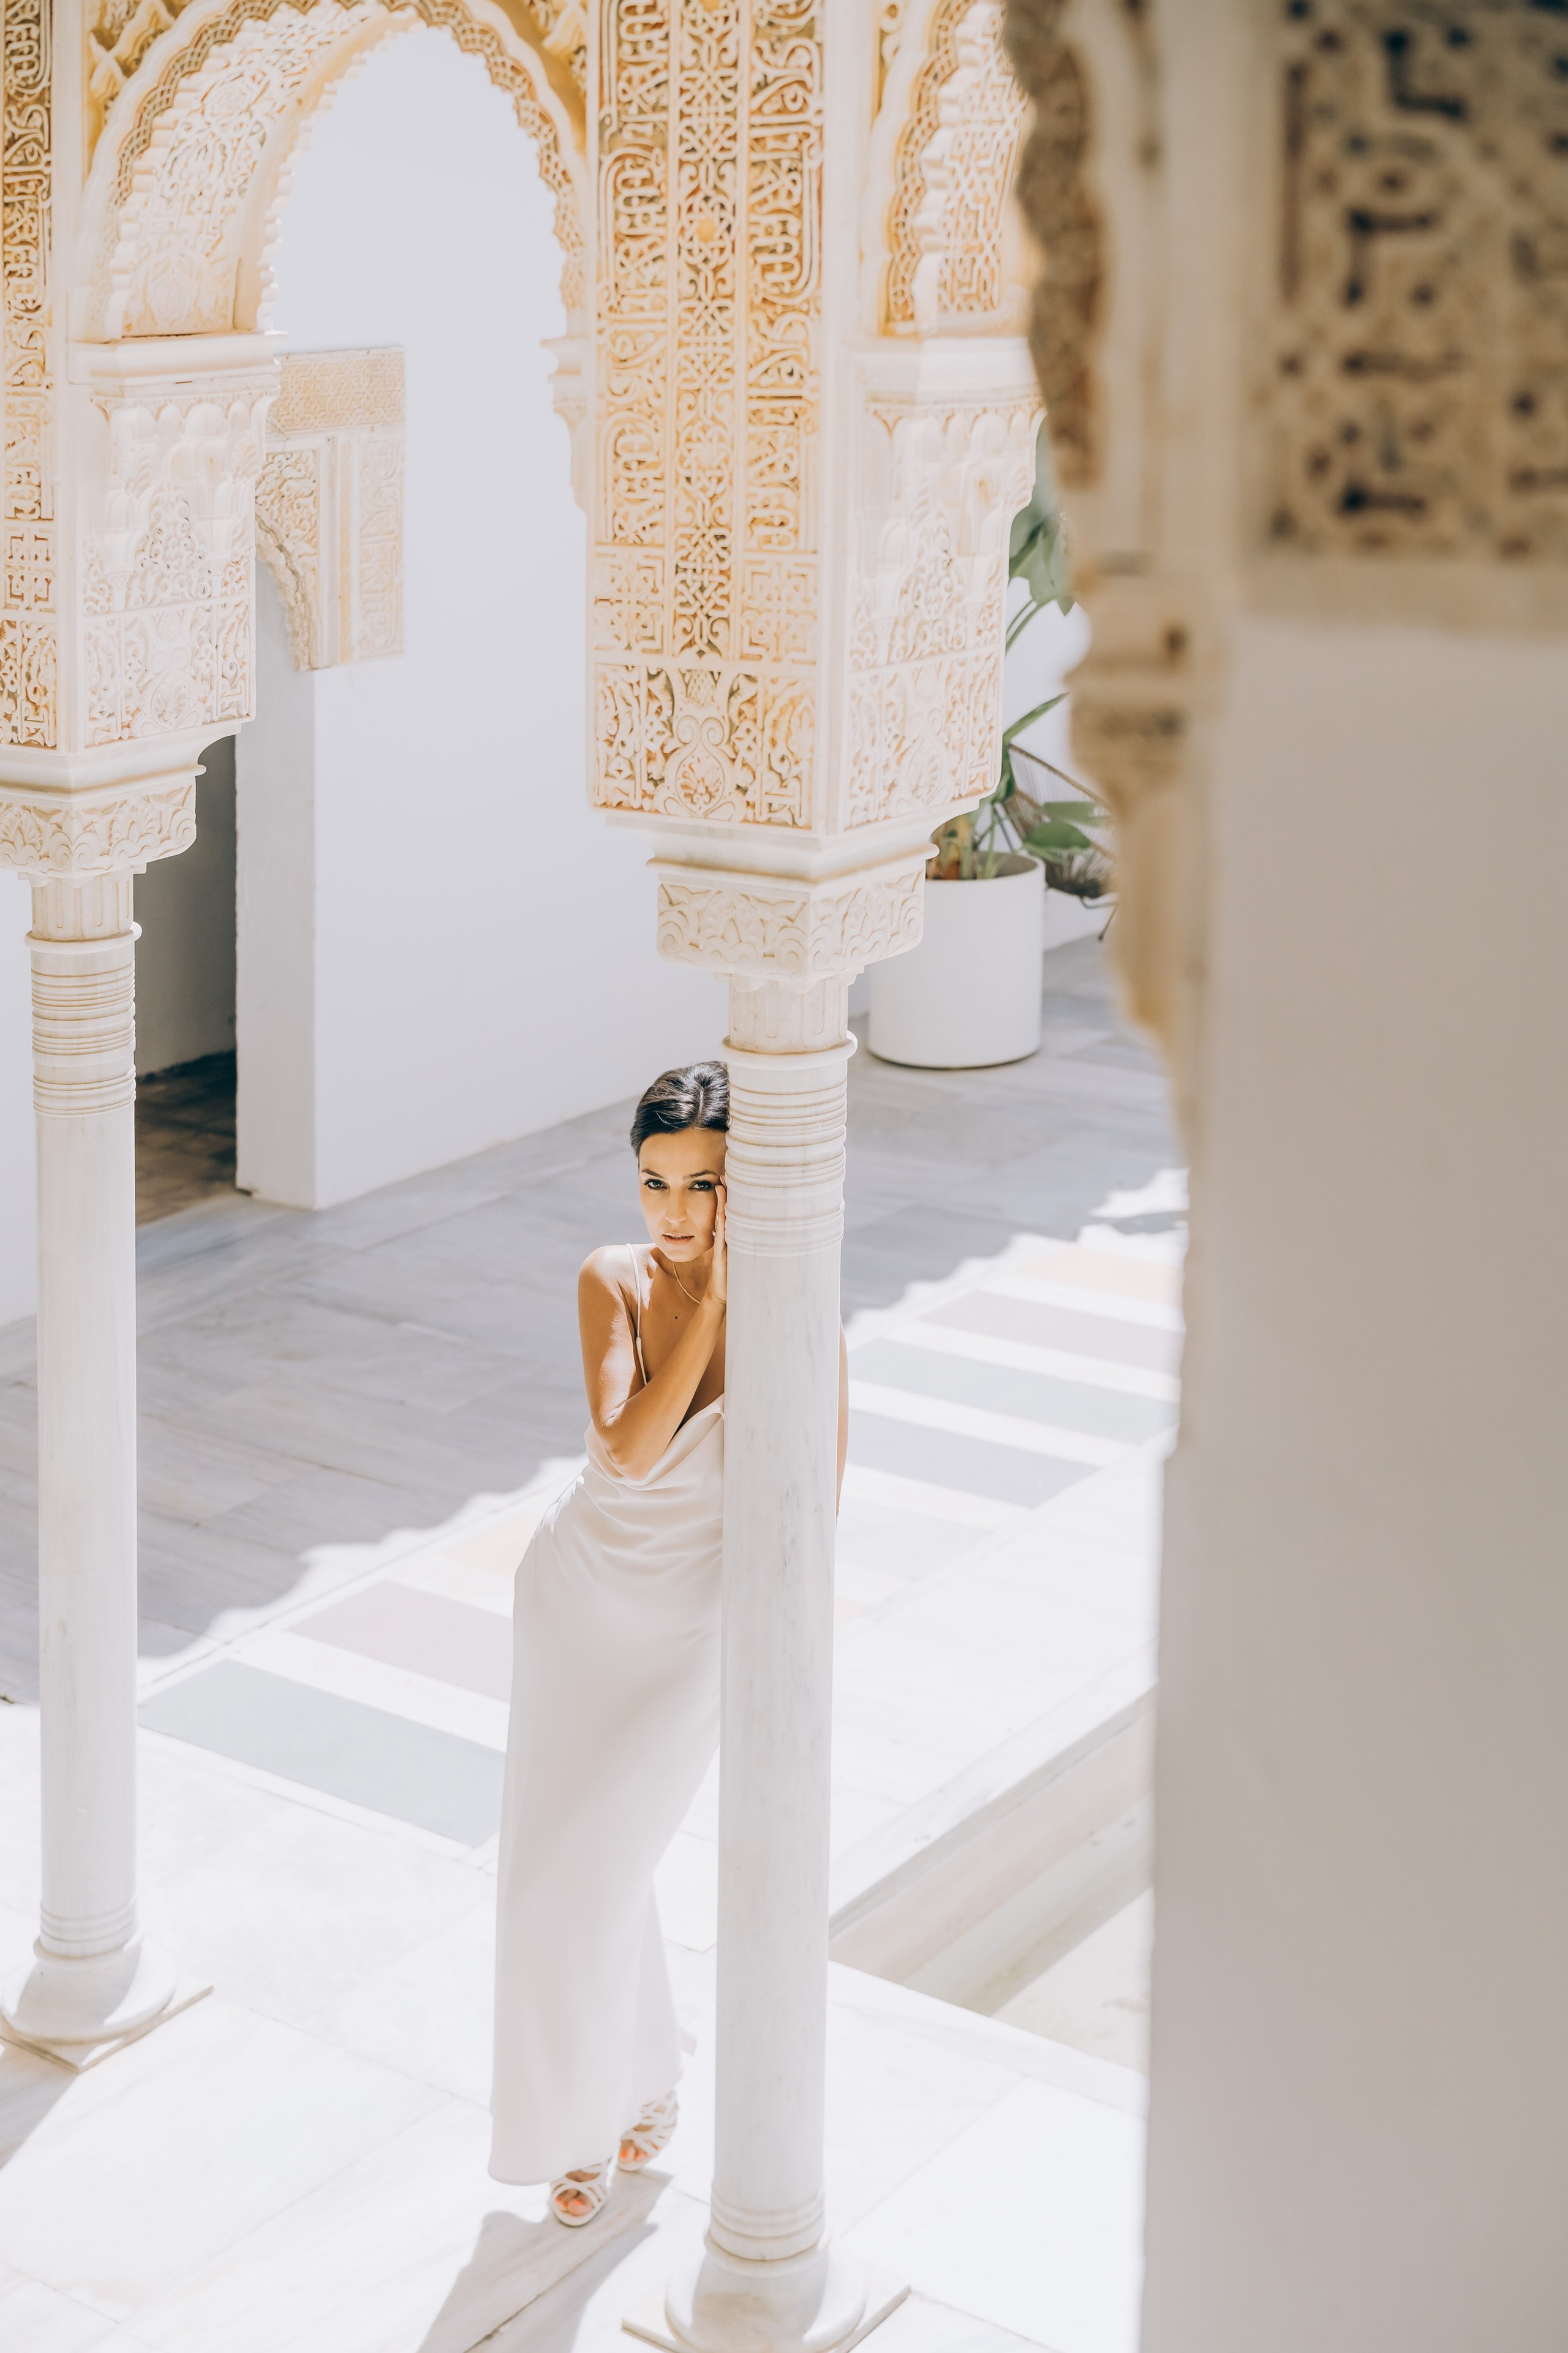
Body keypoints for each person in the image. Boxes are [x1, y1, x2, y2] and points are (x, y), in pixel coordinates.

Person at [492, 1062, 778, 2226]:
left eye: (703, 1186)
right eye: (655, 1181)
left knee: (591, 1872)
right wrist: (706, 1300)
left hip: (687, 1637)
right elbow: (626, 1452)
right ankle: (610, 2107)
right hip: (575, 1602)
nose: (671, 1211)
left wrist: (739, 1298)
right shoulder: (610, 1278)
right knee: (555, 1874)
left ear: (742, 1189)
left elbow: (816, 1502)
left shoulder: (796, 1312)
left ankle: (623, 2093)